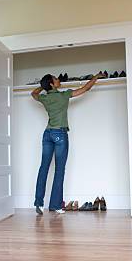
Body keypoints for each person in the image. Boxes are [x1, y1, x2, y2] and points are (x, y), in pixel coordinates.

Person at [30, 73, 104, 214]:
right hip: (59, 135)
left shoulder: (44, 98)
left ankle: (39, 203)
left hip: (47, 134)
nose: (59, 80)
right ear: (52, 84)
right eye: (56, 79)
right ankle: (56, 205)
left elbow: (33, 93)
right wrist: (96, 77)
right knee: (59, 170)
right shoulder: (63, 96)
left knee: (43, 168)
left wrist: (43, 86)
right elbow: (85, 89)